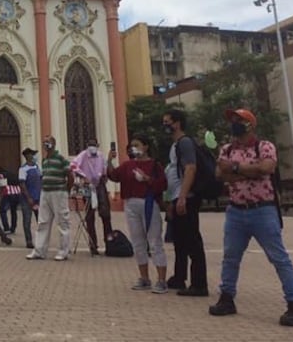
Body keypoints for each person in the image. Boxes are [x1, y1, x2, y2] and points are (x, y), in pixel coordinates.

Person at [209, 109, 293, 327]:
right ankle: (226, 298)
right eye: (232, 120)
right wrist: (250, 170)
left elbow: (266, 168)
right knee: (230, 257)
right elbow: (219, 174)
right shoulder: (227, 148)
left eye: (238, 120)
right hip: (235, 210)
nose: (234, 124)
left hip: (262, 210)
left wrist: (235, 168)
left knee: (279, 258)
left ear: (251, 124)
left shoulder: (264, 146)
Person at [107, 134, 168, 293]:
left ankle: (161, 280)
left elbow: (162, 184)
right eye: (132, 145)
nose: (134, 148)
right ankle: (144, 277)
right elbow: (113, 176)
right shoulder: (128, 165)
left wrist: (147, 179)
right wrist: (109, 160)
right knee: (138, 242)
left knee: (154, 242)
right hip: (130, 203)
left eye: (137, 144)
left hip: (148, 202)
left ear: (146, 146)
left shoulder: (154, 165)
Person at [163, 109, 208, 296]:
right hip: (177, 197)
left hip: (186, 198)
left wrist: (183, 196)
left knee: (192, 241)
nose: (165, 126)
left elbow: (190, 168)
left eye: (167, 122)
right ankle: (179, 277)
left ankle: (199, 283)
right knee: (180, 240)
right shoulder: (175, 145)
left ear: (178, 123)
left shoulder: (185, 143)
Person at [26, 136, 72, 261]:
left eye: (48, 142)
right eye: (44, 142)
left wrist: (66, 190)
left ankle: (63, 251)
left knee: (62, 221)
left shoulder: (61, 159)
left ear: (54, 144)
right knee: (42, 222)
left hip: (58, 192)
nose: (45, 144)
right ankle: (39, 250)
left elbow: (70, 175)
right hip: (45, 193)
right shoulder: (44, 160)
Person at [71, 139, 114, 256]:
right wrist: (83, 176)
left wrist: (104, 176)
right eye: (90, 145)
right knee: (90, 217)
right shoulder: (83, 155)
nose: (92, 147)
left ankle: (110, 245)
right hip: (88, 187)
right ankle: (93, 245)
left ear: (97, 146)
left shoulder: (101, 156)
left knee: (106, 215)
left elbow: (105, 169)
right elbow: (73, 165)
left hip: (100, 186)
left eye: (94, 145)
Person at [18, 147, 41, 249]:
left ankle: (41, 240)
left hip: (38, 197)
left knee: (40, 221)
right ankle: (29, 241)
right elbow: (22, 185)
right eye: (32, 154)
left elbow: (41, 180)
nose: (33, 156)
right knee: (27, 221)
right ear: (27, 156)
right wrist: (29, 198)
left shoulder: (37, 167)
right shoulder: (23, 169)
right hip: (27, 199)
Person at [0, 167, 22, 235]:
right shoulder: (13, 175)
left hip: (8, 194)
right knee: (13, 211)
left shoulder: (1, 176)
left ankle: (6, 228)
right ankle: (13, 228)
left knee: (2, 210)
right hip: (17, 194)